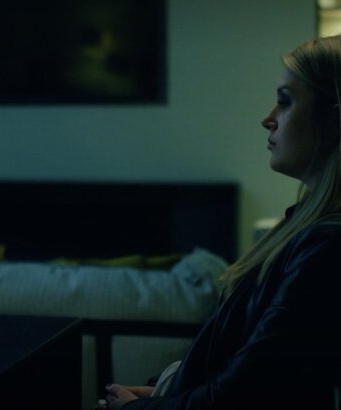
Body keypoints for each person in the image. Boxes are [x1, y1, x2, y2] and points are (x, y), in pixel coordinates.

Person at [105, 34, 341, 410]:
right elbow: (244, 372)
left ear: (334, 120)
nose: (268, 119)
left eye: (285, 102)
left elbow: (240, 397)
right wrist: (167, 391)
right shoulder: (304, 228)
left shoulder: (327, 245)